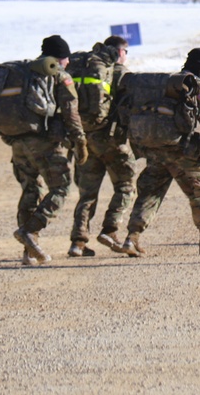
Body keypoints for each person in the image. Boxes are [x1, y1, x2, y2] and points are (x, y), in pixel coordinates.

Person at [121, 48, 200, 256]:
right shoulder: (194, 85)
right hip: (181, 152)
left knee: (150, 192)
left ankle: (132, 237)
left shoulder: (170, 84)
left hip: (155, 150)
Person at [12, 35, 88, 265]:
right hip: (46, 142)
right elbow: (71, 113)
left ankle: (28, 251)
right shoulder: (59, 76)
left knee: (30, 190)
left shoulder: (26, 73)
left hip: (18, 142)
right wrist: (80, 141)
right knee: (61, 187)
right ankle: (29, 231)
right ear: (62, 58)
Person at [67, 35, 137, 257]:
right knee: (125, 184)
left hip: (83, 139)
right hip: (110, 140)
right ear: (120, 52)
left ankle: (78, 242)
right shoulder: (118, 72)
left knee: (87, 192)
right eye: (126, 52)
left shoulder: (83, 66)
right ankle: (111, 229)